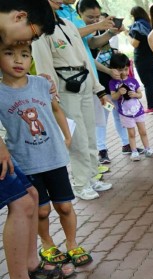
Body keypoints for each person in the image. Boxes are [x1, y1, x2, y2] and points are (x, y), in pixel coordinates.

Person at [0, 42, 96, 268]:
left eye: (24, 55)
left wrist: (67, 136)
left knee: (64, 206)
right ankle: (47, 244)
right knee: (41, 210)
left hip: (54, 157)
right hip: (25, 161)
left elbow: (56, 109)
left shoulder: (42, 83)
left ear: (31, 59)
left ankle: (72, 244)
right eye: (9, 54)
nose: (18, 60)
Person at [33, 0, 113, 201]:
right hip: (64, 86)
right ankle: (80, 183)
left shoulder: (68, 24)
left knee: (90, 132)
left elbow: (85, 57)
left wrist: (98, 88)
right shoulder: (40, 30)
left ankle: (92, 176)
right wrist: (52, 95)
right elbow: (44, 65)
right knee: (77, 137)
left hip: (84, 80)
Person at [77, 0, 133, 166]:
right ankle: (102, 149)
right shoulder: (80, 31)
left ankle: (126, 143)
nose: (95, 21)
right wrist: (108, 71)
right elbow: (88, 59)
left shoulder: (102, 32)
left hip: (115, 83)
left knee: (119, 113)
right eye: (90, 17)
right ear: (79, 14)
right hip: (100, 85)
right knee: (102, 117)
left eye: (97, 17)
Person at [109, 53, 153, 161]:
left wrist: (136, 95)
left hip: (138, 111)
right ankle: (134, 151)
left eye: (125, 69)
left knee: (143, 131)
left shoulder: (133, 80)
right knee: (131, 133)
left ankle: (147, 149)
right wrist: (119, 93)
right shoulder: (113, 82)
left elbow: (140, 94)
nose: (123, 72)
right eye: (119, 70)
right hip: (125, 113)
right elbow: (113, 97)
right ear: (113, 69)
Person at [129, 6, 153, 119]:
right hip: (151, 58)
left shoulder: (137, 26)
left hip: (142, 59)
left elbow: (135, 44)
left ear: (134, 15)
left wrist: (127, 35)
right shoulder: (149, 25)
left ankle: (150, 107)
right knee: (151, 82)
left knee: (147, 84)